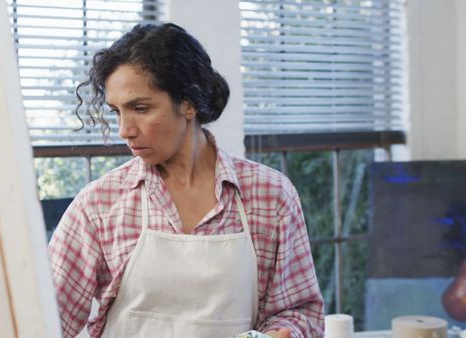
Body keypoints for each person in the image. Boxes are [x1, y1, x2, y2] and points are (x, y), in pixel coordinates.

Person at [48, 23, 324, 338]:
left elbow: (301, 315)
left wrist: (282, 333)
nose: (125, 129)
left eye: (140, 108)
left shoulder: (270, 195)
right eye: (117, 112)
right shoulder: (99, 204)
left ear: (188, 103)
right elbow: (44, 320)